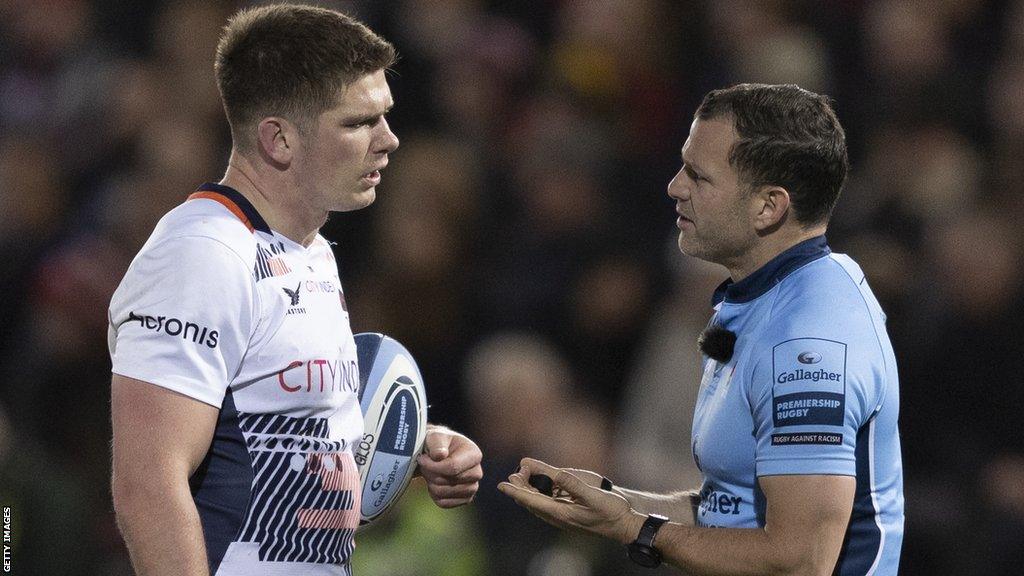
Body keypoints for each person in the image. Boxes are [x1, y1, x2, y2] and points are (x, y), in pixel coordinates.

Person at [108, 5, 482, 576]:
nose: (390, 140)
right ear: (278, 139)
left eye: (385, 116)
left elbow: (286, 430)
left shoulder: (309, 253)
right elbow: (147, 481)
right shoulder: (204, 254)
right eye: (359, 122)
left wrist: (419, 446)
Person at [499, 83, 904, 575]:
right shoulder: (763, 301)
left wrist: (637, 530)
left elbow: (799, 561)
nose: (674, 186)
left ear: (768, 207)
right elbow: (732, 511)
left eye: (698, 176)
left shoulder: (808, 345)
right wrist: (617, 508)